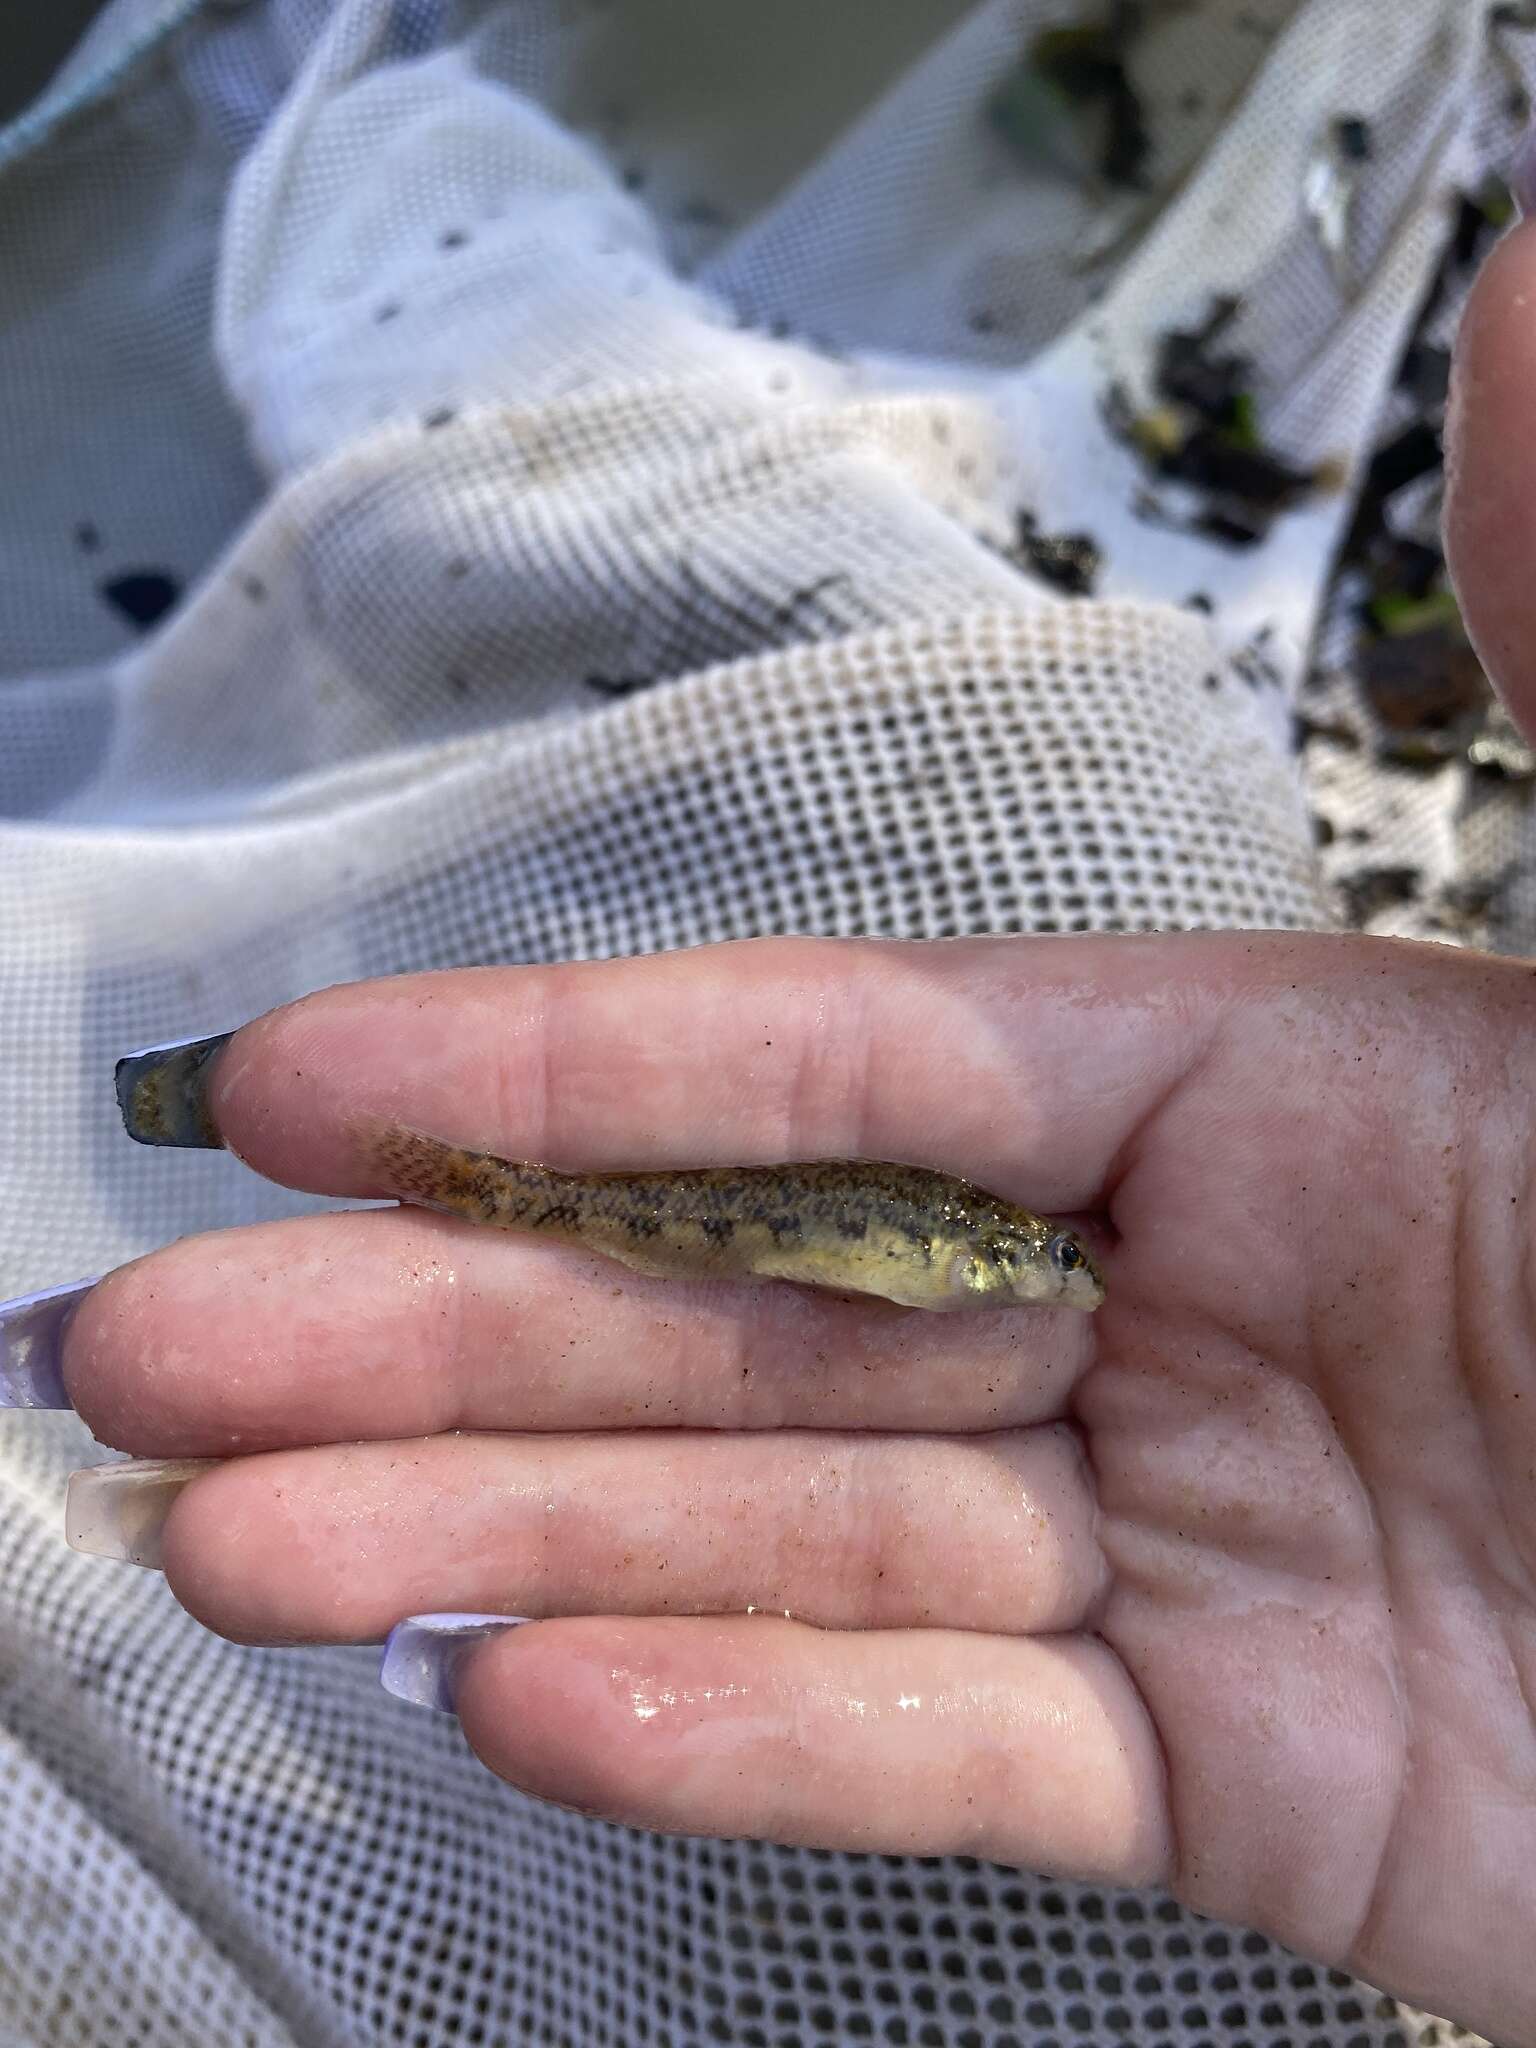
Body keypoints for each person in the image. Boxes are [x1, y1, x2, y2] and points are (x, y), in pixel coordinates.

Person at [1, 4, 1531, 2047]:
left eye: (1027, 1262)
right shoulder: (987, 1265)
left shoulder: (1020, 1292)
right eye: (1028, 1258)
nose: (1034, 1272)